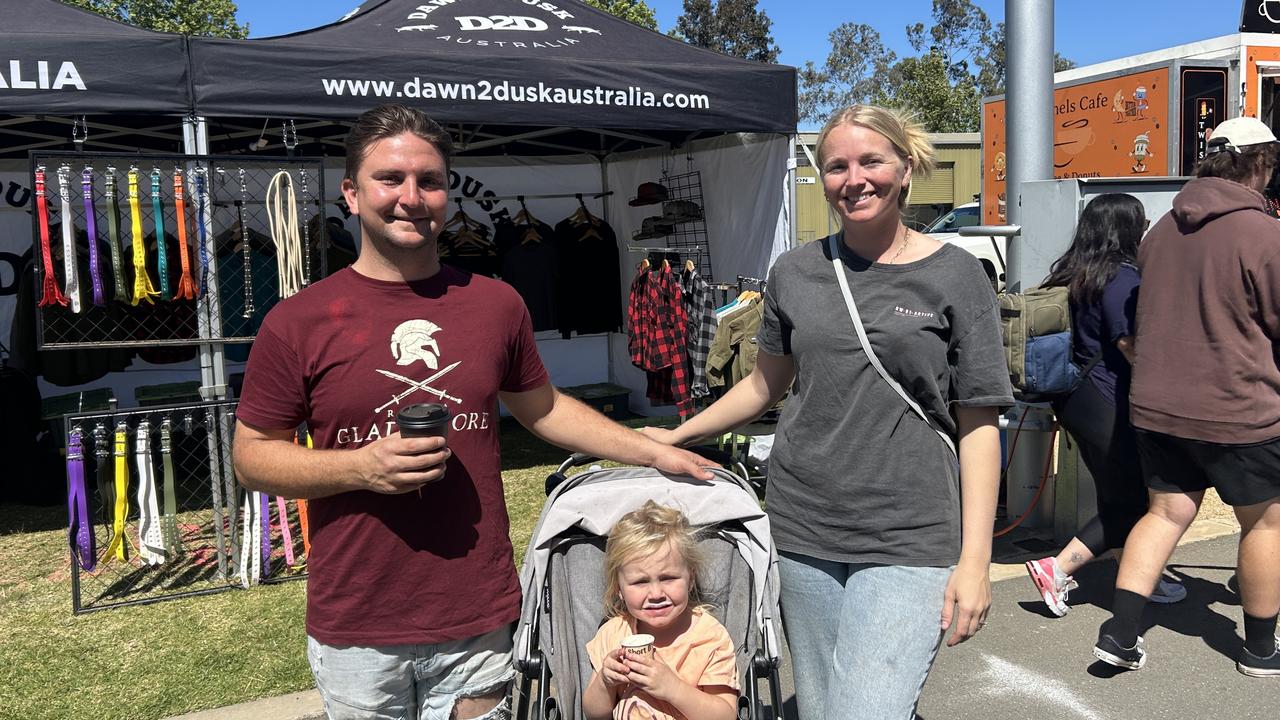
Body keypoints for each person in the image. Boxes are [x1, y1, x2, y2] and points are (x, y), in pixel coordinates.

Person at [232, 104, 714, 720]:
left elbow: (541, 409)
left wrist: (652, 448)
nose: (411, 197)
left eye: (429, 181)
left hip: (476, 611)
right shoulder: (298, 320)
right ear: (351, 193)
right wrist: (361, 468)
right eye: (390, 179)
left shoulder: (494, 304)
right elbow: (252, 457)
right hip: (358, 618)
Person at [642, 105, 1013, 719]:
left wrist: (976, 562)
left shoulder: (956, 275)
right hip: (804, 523)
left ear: (906, 166)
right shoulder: (795, 271)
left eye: (871, 161)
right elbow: (764, 384)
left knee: (864, 710)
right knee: (822, 710)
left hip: (909, 530)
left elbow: (979, 423)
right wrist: (678, 434)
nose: (854, 178)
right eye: (837, 166)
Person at [1091, 116, 1280, 676]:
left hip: (1157, 402)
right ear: (1258, 162)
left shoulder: (1162, 229)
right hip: (1238, 405)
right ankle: (1261, 649)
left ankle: (1120, 634)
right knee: (1266, 522)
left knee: (1166, 511)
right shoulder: (1263, 234)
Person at [1023, 194, 1187, 616]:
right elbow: (1129, 343)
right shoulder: (1123, 278)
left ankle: (1136, 577)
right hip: (1109, 401)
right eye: (1142, 221)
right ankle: (1056, 568)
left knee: (1115, 495)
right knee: (1133, 503)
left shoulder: (1072, 273)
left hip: (1076, 399)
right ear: (1127, 228)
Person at [583, 500, 739, 720]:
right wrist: (605, 683)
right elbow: (593, 715)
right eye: (640, 582)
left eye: (668, 578)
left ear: (690, 578)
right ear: (619, 589)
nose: (656, 594)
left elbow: (726, 715)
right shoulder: (614, 634)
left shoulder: (709, 639)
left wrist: (673, 688)